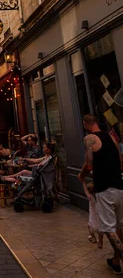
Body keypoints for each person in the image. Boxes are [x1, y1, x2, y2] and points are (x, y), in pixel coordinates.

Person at [78, 114, 123, 274]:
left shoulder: (89, 138)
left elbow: (89, 164)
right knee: (119, 228)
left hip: (105, 189)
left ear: (85, 124)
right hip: (119, 187)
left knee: (109, 229)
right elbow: (120, 161)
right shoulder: (112, 137)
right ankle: (116, 262)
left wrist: (82, 175)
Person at [82, 181, 103, 249]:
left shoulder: (91, 198)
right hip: (100, 221)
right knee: (100, 231)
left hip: (93, 221)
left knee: (88, 226)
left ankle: (93, 238)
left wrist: (83, 181)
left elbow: (86, 191)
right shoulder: (100, 198)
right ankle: (100, 242)